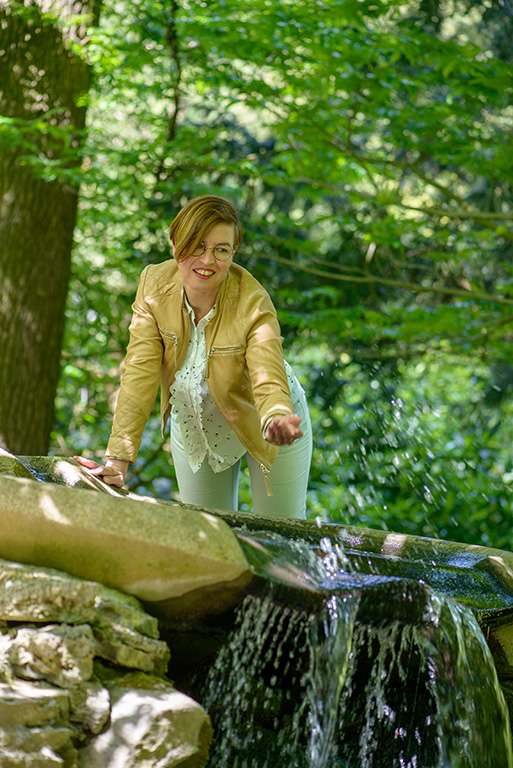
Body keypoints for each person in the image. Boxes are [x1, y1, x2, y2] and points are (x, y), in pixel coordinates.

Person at [77, 195, 312, 518]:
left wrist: (276, 415)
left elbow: (267, 370)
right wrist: (118, 458)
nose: (208, 260)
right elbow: (139, 373)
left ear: (233, 254)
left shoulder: (252, 301)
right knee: (208, 537)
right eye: (198, 246)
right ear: (176, 244)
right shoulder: (153, 286)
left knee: (285, 537)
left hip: (268, 424)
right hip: (196, 425)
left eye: (221, 249)